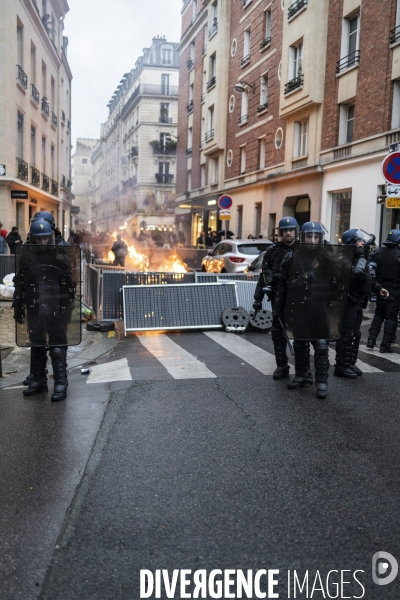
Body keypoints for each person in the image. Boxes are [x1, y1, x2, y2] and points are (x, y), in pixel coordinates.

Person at [13, 219, 76, 401]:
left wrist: (66, 305)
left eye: (45, 239)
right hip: (35, 303)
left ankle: (60, 382)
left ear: (51, 237)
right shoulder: (27, 255)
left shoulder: (60, 253)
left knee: (56, 346)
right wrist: (19, 303)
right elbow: (21, 280)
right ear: (33, 238)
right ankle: (39, 380)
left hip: (55, 304)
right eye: (39, 239)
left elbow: (69, 283)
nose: (42, 243)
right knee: (37, 343)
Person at [274, 222, 336, 399]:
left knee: (321, 345)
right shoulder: (292, 256)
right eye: (310, 236)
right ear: (303, 236)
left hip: (319, 307)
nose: (313, 240)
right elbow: (282, 285)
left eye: (316, 236)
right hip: (299, 305)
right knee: (300, 342)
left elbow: (338, 283)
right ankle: (301, 375)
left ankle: (321, 381)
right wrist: (278, 308)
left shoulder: (327, 257)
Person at [334, 229, 387, 378]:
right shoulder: (344, 259)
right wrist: (360, 257)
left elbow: (368, 278)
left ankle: (350, 363)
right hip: (348, 302)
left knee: (356, 335)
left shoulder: (360, 259)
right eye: (360, 241)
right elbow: (354, 275)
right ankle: (341, 366)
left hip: (358, 302)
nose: (363, 243)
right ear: (352, 243)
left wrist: (379, 289)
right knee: (346, 334)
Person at [253, 217, 298, 380]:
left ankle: (302, 369)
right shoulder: (272, 252)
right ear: (280, 232)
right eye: (285, 230)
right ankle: (281, 365)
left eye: (291, 230)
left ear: (296, 231)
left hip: (298, 297)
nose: (288, 233)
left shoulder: (302, 249)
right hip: (278, 298)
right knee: (278, 333)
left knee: (301, 334)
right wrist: (257, 298)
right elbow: (263, 275)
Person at [367, 229, 400, 352]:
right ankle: (385, 345)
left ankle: (371, 339)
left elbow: (371, 270)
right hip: (395, 290)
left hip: (380, 288)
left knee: (379, 314)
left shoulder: (378, 252)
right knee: (391, 317)